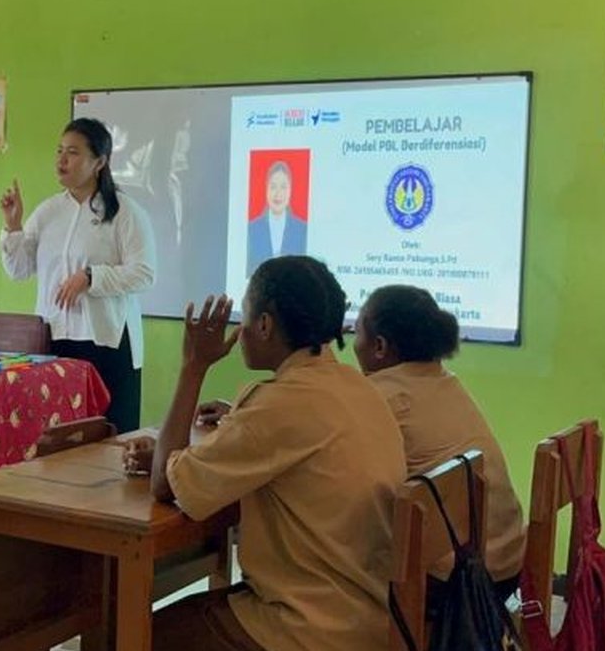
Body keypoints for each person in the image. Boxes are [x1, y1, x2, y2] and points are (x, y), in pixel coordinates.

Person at [125, 256, 406, 651]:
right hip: (367, 612)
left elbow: (162, 485)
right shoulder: (358, 387)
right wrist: (173, 456)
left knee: (131, 632)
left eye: (245, 314)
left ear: (264, 325)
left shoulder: (279, 404)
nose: (238, 329)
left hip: (309, 628)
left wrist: (194, 365)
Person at [354, 284, 525, 600]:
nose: (353, 341)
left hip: (454, 583)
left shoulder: (377, 397)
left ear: (379, 346)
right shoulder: (446, 381)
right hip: (506, 567)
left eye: (356, 331)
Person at [0, 118, 157, 433]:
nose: (61, 160)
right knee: (56, 440)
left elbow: (144, 273)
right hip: (54, 339)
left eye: (72, 153)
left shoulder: (125, 212)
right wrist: (13, 226)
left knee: (108, 443)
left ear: (99, 162)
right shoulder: (47, 212)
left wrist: (91, 277)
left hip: (106, 341)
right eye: (59, 151)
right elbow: (18, 270)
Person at [246, 160, 307, 277]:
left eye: (283, 187)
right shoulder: (252, 229)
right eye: (273, 187)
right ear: (266, 190)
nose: (278, 193)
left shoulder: (302, 229)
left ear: (290, 191)